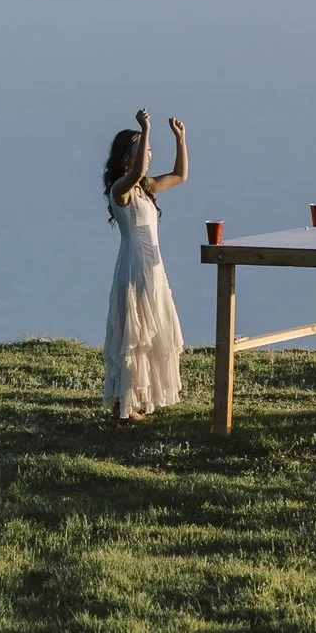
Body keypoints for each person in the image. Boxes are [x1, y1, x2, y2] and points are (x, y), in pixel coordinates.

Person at [102, 108, 189, 421]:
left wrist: (181, 140)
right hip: (133, 266)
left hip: (153, 266)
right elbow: (136, 174)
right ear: (127, 156)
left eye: (149, 150)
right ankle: (125, 404)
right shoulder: (121, 190)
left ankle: (132, 401)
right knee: (134, 333)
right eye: (142, 150)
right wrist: (146, 128)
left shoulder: (147, 189)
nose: (149, 154)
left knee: (152, 330)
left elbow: (180, 175)